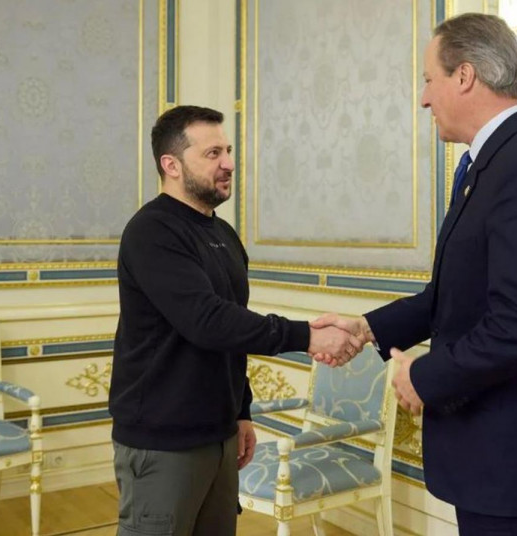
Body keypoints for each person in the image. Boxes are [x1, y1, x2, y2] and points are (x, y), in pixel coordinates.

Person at [312, 13, 517, 536]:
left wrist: (422, 377)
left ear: (464, 76)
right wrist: (368, 328)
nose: (424, 99)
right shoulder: (489, 165)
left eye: (429, 79)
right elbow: (451, 295)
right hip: (494, 460)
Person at [109, 105, 362, 536]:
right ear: (171, 165)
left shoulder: (223, 234)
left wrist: (241, 411)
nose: (228, 163)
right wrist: (307, 336)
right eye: (213, 154)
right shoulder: (152, 231)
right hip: (163, 440)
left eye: (227, 150)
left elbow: (231, 330)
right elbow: (207, 321)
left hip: (220, 434)